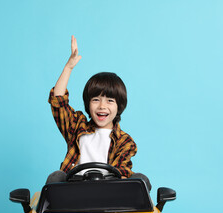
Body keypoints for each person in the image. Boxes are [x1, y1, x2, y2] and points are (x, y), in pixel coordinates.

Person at [47, 36, 151, 191]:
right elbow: (58, 103)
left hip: (109, 195)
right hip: (74, 193)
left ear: (119, 106)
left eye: (110, 101)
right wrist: (68, 68)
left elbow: (122, 170)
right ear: (88, 104)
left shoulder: (125, 141)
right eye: (96, 100)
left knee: (140, 179)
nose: (102, 106)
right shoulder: (77, 126)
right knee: (56, 176)